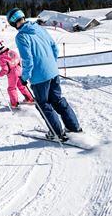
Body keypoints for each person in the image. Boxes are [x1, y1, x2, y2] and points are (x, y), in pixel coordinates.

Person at [7, 8, 81, 141]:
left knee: (43, 104)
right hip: (53, 71)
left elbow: (28, 60)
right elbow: (54, 47)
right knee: (57, 100)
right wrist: (50, 64)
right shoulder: (39, 28)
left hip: (39, 77)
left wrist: (24, 78)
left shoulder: (21, 36)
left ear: (12, 23)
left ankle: (57, 133)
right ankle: (74, 127)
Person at [0, 39, 35, 108]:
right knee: (21, 86)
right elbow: (19, 59)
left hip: (12, 74)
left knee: (11, 88)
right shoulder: (12, 51)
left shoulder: (1, 58)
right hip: (19, 70)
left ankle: (14, 104)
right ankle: (29, 98)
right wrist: (20, 68)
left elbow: (5, 70)